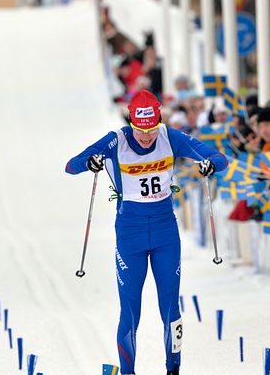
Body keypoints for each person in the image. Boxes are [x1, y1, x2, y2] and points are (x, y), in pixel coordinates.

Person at [65, 90, 228, 375]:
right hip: (130, 234)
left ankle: (173, 369)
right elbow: (71, 165)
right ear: (131, 122)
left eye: (151, 129)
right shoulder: (116, 140)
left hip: (165, 231)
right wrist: (90, 162)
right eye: (141, 130)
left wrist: (210, 164)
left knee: (170, 307)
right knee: (130, 312)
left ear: (158, 122)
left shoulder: (169, 136)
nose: (146, 137)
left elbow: (219, 157)